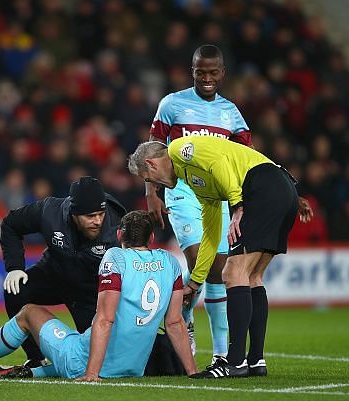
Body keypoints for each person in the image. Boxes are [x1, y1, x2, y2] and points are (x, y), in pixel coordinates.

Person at [128, 137, 313, 378]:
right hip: (280, 187)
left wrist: (237, 205)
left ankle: (234, 362)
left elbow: (218, 161)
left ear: (151, 164)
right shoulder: (199, 184)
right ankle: (255, 360)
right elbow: (211, 237)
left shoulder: (177, 149)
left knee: (232, 272)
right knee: (252, 276)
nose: (153, 184)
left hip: (261, 188)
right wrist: (195, 282)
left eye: (148, 179)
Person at [0, 210, 198, 380]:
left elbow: (105, 319)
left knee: (29, 313)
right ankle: (29, 372)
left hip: (87, 362)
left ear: (120, 236)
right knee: (76, 343)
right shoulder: (169, 262)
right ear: (151, 238)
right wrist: (193, 372)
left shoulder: (116, 257)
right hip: (133, 367)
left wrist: (91, 373)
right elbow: (175, 322)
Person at [146, 44, 254, 364]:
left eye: (212, 72)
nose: (206, 78)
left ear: (222, 73)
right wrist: (151, 192)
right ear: (191, 71)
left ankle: (220, 353)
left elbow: (244, 159)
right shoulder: (172, 104)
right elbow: (152, 149)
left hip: (216, 196)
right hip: (181, 192)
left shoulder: (232, 113)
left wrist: (243, 201)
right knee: (197, 262)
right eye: (200, 72)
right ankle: (186, 322)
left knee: (218, 273)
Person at [0, 176, 126, 368]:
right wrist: (15, 267)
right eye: (90, 216)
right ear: (74, 213)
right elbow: (10, 224)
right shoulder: (50, 212)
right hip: (53, 276)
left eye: (101, 213)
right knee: (15, 290)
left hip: (91, 292)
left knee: (98, 360)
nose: (98, 221)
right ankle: (35, 357)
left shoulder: (118, 224)